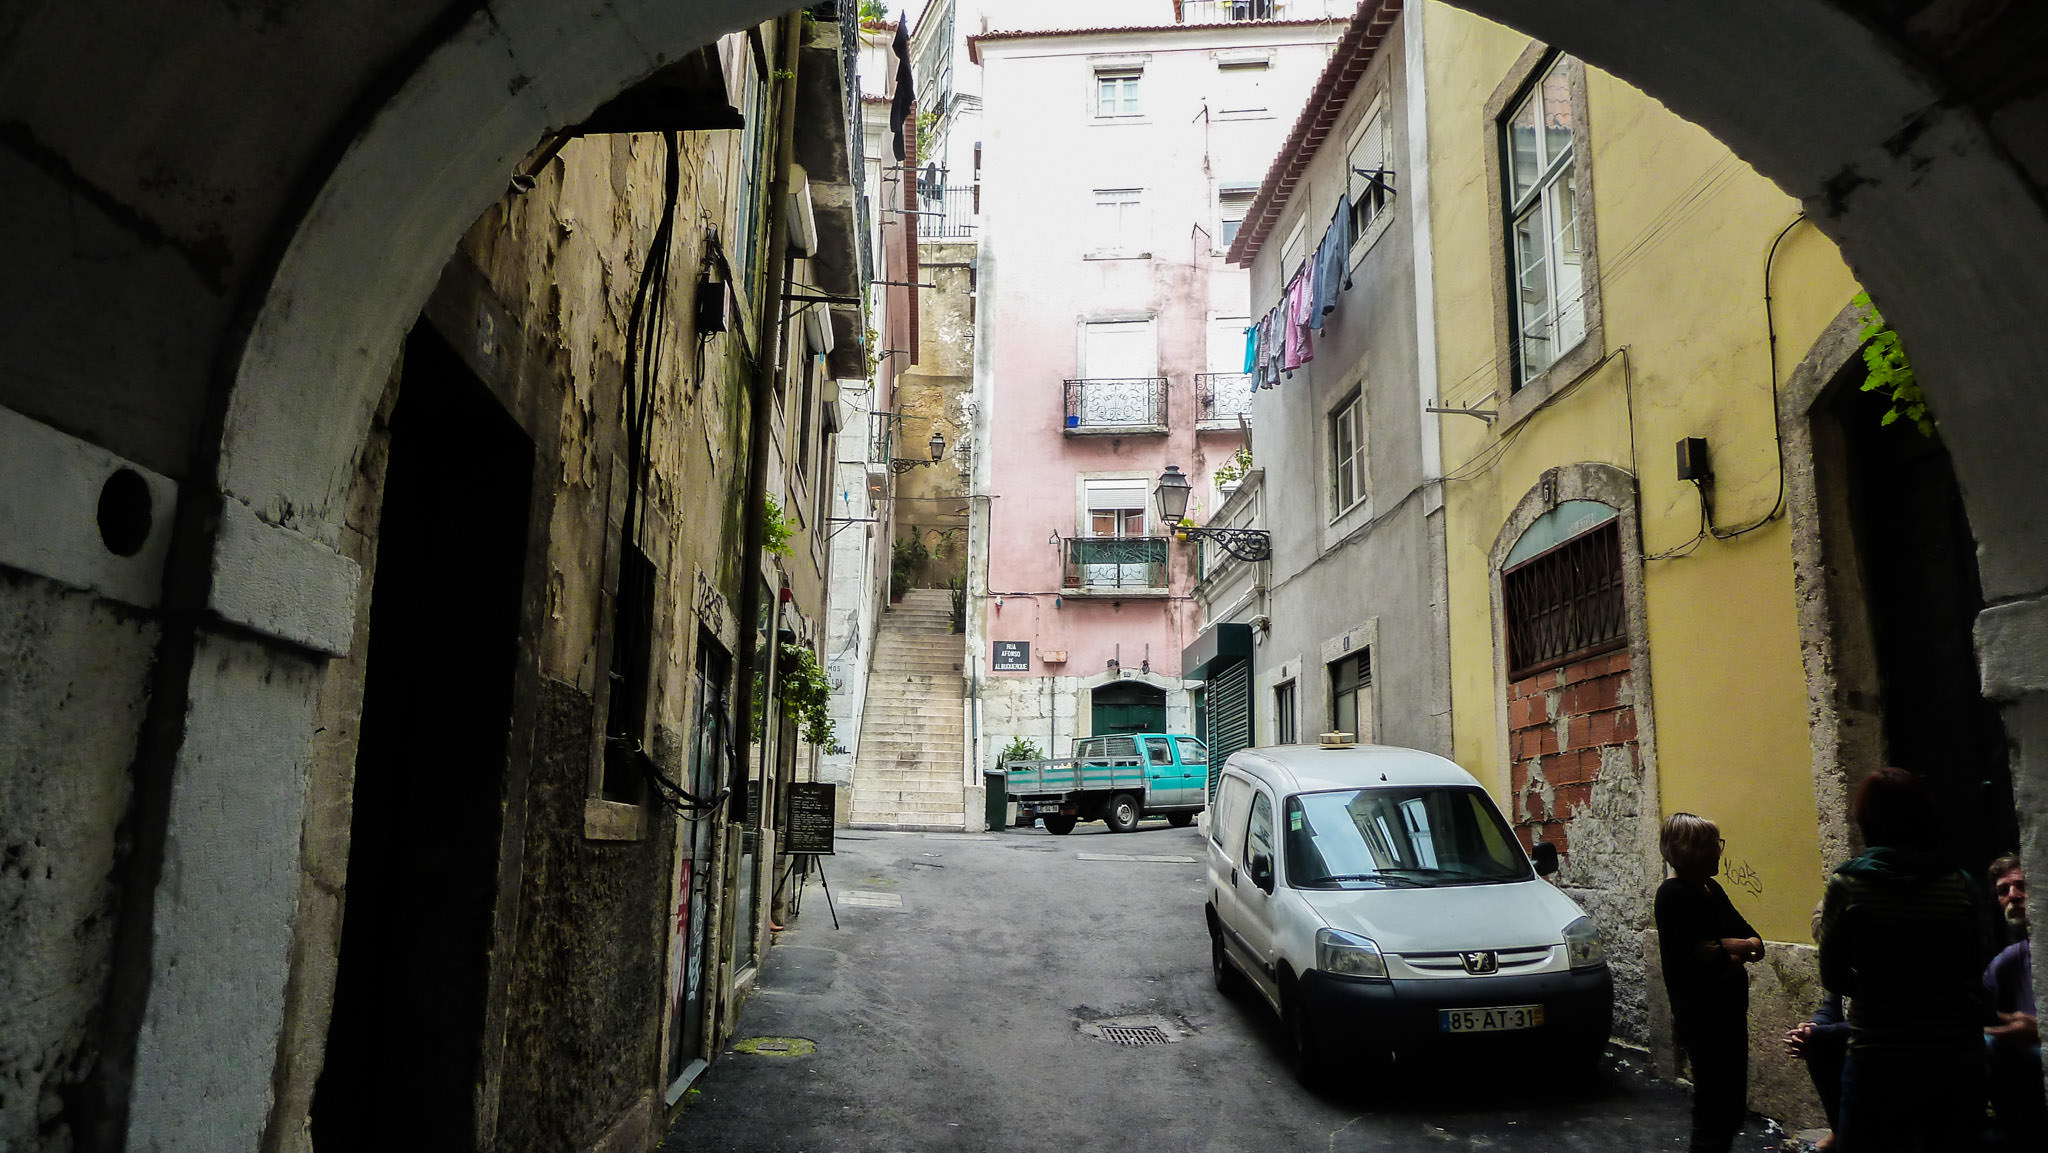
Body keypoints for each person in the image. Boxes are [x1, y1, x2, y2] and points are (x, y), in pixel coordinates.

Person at [1818, 767, 1996, 1152]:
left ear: (1867, 820)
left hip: (1878, 1055)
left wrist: (1880, 987)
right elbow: (1974, 963)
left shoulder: (1848, 884)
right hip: (1954, 1053)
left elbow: (1832, 974)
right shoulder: (1959, 882)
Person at [1656, 812, 1764, 1153]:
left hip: (1730, 1012)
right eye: (1711, 846)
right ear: (1689, 850)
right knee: (1714, 1107)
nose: (1719, 852)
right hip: (1704, 1017)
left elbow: (1753, 941)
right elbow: (1701, 956)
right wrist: (1731, 949)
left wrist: (1736, 947)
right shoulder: (1673, 895)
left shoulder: (1710, 889)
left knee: (1730, 1106)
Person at [1983, 853, 2042, 1148]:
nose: (2012, 896)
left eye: (2021, 886)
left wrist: (2040, 1030)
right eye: (2003, 891)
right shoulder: (2010, 959)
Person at [1783, 900, 1848, 1151]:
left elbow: (1880, 1025)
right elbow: (1832, 1005)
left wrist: (1821, 1034)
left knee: (1821, 1040)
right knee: (1815, 1041)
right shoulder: (1846, 966)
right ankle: (1839, 1129)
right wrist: (1811, 1027)